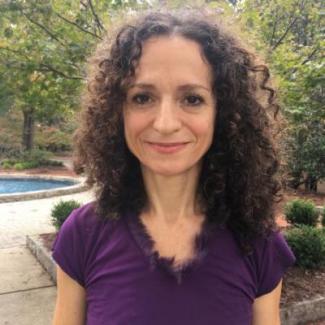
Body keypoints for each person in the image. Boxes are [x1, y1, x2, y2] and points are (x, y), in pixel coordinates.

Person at [51, 9, 296, 325]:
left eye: (192, 99)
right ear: (117, 111)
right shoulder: (83, 235)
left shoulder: (257, 240)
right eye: (142, 98)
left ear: (221, 113)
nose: (165, 124)